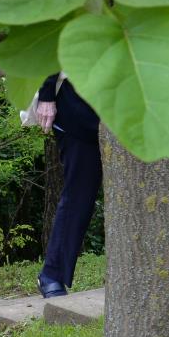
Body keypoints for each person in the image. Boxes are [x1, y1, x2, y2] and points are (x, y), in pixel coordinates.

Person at [33, 74, 101, 298]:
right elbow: (49, 44)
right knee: (79, 196)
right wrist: (46, 94)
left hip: (121, 106)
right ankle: (52, 274)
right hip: (76, 111)